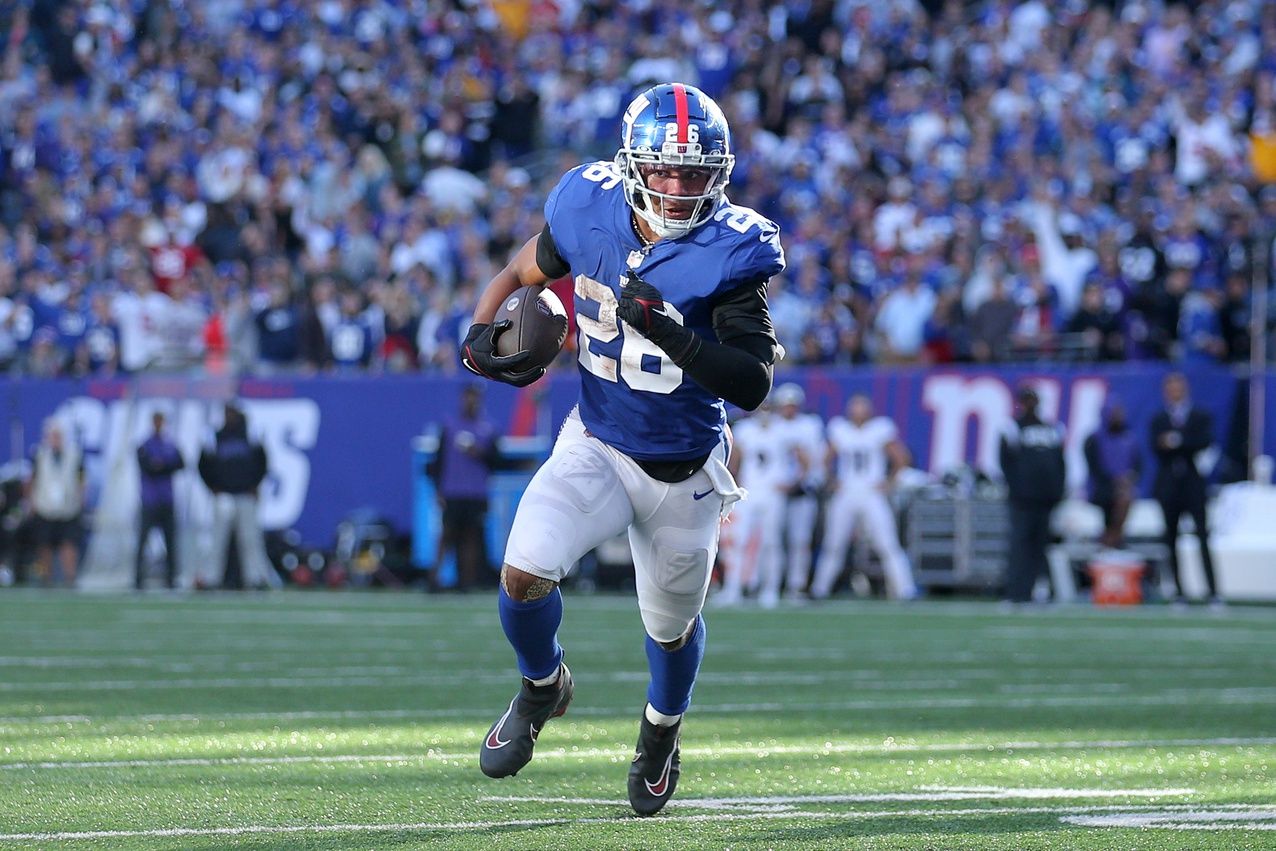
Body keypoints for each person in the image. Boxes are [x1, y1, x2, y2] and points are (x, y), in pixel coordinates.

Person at [460, 83, 783, 816]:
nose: (677, 187)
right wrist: (479, 336)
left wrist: (669, 329)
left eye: (694, 172)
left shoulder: (734, 248)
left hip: (685, 470)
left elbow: (752, 380)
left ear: (719, 173)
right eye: (664, 171)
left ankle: (660, 734)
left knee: (669, 630)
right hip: (598, 442)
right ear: (633, 166)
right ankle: (543, 685)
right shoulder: (588, 206)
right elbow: (520, 273)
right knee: (522, 571)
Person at [812, 395, 919, 601]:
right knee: (834, 543)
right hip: (847, 492)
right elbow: (825, 458)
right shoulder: (840, 429)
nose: (858, 410)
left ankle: (905, 590)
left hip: (871, 493)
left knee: (887, 543)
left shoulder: (880, 429)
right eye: (855, 406)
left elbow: (901, 458)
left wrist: (888, 482)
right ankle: (819, 589)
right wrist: (832, 481)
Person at [1149, 372, 1220, 605]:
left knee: (1202, 536)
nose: (1175, 391)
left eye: (1178, 387)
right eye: (1171, 387)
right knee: (1170, 539)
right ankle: (1179, 592)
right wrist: (1178, 443)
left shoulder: (1199, 415)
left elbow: (1204, 441)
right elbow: (1155, 447)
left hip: (1193, 484)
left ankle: (1213, 591)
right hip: (1168, 485)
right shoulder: (1159, 418)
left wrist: (1177, 442)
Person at [197, 404, 279, 590]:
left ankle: (255, 579)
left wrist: (255, 485)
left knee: (250, 539)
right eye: (227, 413)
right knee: (217, 540)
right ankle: (211, 579)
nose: (230, 417)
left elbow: (263, 462)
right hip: (223, 494)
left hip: (245, 494)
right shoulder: (214, 436)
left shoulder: (251, 436)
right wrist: (212, 486)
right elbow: (202, 464)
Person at [998, 386, 1066, 604]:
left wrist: (1057, 491)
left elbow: (1060, 463)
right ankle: (1017, 592)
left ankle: (1041, 590)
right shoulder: (1011, 428)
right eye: (1026, 400)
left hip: (1046, 499)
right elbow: (1005, 463)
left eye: (1032, 400)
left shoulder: (1052, 428)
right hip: (1022, 500)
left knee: (1041, 546)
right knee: (1020, 545)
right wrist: (1017, 489)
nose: (1029, 405)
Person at [430, 383, 499, 591]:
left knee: (471, 537)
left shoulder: (488, 429)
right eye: (467, 397)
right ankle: (434, 580)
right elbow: (438, 461)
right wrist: (439, 489)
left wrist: (479, 452)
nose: (470, 402)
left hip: (476, 491)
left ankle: (466, 582)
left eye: (474, 398)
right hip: (452, 490)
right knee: (446, 536)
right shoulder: (450, 427)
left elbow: (497, 461)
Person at [764, 382, 826, 605]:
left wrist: (803, 480)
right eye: (786, 404)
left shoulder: (810, 425)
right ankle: (770, 584)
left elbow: (811, 458)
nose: (789, 409)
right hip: (777, 490)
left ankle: (796, 586)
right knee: (771, 540)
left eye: (793, 404)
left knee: (800, 541)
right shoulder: (773, 425)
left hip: (802, 488)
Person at [27, 420, 84, 587]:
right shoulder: (39, 454)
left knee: (69, 544)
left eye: (59, 435)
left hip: (68, 507)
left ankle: (70, 579)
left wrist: (81, 498)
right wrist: (31, 502)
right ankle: (47, 579)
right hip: (45, 506)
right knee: (44, 545)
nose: (56, 439)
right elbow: (32, 479)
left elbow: (81, 478)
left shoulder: (74, 454)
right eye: (53, 435)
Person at [136, 411, 185, 590]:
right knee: (142, 541)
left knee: (171, 542)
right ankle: (137, 578)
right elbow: (148, 465)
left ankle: (172, 578)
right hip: (150, 500)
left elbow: (180, 463)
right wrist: (164, 465)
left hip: (167, 499)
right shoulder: (145, 445)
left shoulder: (169, 444)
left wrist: (161, 464)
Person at [1083, 402, 1141, 550]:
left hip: (1123, 487)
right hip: (1101, 488)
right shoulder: (1093, 439)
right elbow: (1094, 467)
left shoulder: (1129, 439)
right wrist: (1114, 481)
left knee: (1125, 496)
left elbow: (1138, 465)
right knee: (1118, 498)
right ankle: (1111, 536)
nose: (1118, 417)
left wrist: (1128, 478)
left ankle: (1113, 536)